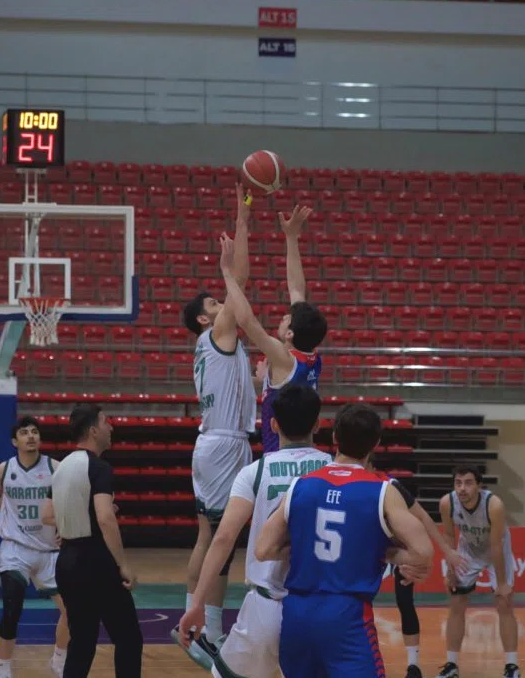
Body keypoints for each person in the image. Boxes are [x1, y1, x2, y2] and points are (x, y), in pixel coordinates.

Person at [255, 403, 436, 678]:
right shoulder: (382, 491)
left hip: (297, 615)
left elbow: (263, 549)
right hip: (346, 615)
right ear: (375, 444)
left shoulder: (300, 485)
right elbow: (423, 552)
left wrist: (305, 546)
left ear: (334, 437)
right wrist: (380, 552)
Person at [176, 384, 332, 677]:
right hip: (323, 606)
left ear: (273, 425)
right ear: (317, 424)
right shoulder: (335, 469)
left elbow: (223, 539)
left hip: (268, 608)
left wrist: (197, 603)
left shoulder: (255, 472)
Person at [180, 189, 256, 655]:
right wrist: (243, 218)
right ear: (203, 319)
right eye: (213, 303)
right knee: (217, 539)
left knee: (213, 537)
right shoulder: (218, 335)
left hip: (220, 443)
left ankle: (204, 628)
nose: (220, 304)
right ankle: (201, 628)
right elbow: (240, 282)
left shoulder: (216, 347)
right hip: (223, 445)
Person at [0, 415, 70, 678]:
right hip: (15, 550)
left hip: (49, 551)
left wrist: (68, 529)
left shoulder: (55, 468)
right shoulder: (5, 469)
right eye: (24, 432)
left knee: (73, 612)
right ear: (14, 441)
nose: (31, 436)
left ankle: (59, 659)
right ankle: (4, 670)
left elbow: (73, 500)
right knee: (12, 609)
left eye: (34, 432)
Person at [49, 405, 143, 678]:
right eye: (105, 422)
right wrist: (123, 564)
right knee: (128, 638)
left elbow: (47, 514)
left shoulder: (61, 467)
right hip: (95, 561)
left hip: (66, 560)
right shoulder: (99, 467)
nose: (110, 427)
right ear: (93, 430)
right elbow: (105, 518)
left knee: (81, 643)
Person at [361, 462, 466, 678]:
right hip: (368, 547)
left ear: (369, 464)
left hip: (397, 547)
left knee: (405, 601)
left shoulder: (391, 485)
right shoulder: (352, 485)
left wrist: (447, 551)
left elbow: (423, 517)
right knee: (358, 600)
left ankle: (413, 665)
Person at [252, 204, 327, 455]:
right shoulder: (311, 354)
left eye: (288, 318)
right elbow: (296, 289)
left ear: (291, 333)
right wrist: (291, 238)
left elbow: (249, 323)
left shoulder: (284, 358)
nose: (284, 316)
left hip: (279, 455)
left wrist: (231, 278)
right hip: (306, 453)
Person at [436, 465, 520, 678]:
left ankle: (512, 666)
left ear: (479, 485)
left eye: (468, 483)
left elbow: (496, 546)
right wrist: (450, 571)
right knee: (456, 601)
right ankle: (451, 665)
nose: (462, 488)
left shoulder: (494, 505)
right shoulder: (447, 503)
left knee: (504, 602)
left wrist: (502, 584)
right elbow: (449, 536)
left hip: (495, 549)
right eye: (458, 483)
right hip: (468, 549)